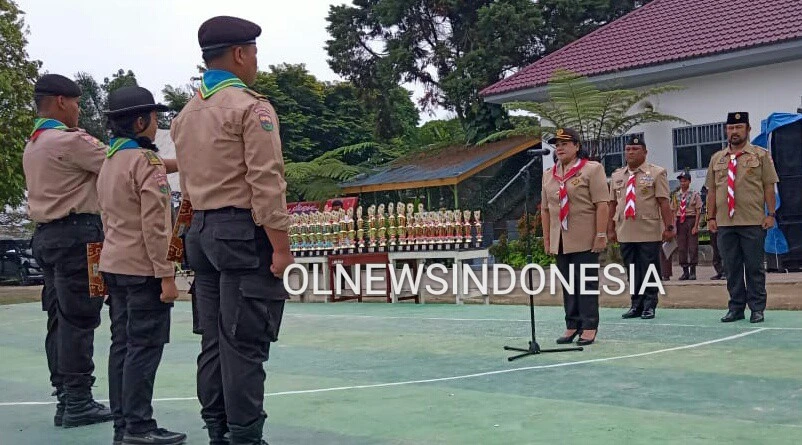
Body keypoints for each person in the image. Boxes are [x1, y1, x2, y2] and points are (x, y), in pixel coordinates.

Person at [171, 16, 294, 445]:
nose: (256, 63)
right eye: (254, 54)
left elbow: (186, 186)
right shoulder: (250, 107)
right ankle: (246, 435)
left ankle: (218, 429)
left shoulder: (185, 115)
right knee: (245, 339)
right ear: (240, 54)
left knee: (213, 339)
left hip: (201, 233)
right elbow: (266, 181)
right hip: (241, 234)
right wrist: (281, 247)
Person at [22, 74, 113, 428]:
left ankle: (65, 396)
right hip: (79, 237)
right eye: (75, 103)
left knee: (59, 318)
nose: (77, 110)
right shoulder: (70, 141)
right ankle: (78, 400)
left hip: (47, 236)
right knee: (80, 318)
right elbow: (121, 163)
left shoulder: (35, 143)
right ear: (61, 101)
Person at [97, 86, 186, 445]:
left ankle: (123, 423)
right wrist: (167, 275)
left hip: (115, 264)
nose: (156, 124)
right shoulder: (146, 164)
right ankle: (139, 425)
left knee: (122, 345)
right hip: (142, 268)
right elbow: (155, 226)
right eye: (153, 118)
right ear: (139, 121)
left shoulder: (111, 160)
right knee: (144, 348)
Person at [705, 112, 779, 323]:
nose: (734, 132)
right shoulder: (717, 159)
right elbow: (711, 191)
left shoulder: (761, 155)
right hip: (725, 223)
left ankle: (757, 308)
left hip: (752, 221)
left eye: (739, 127)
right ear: (726, 131)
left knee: (754, 267)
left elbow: (768, 187)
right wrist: (710, 218)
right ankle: (736, 307)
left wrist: (771, 214)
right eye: (730, 128)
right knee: (731, 267)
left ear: (748, 129)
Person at [541, 128, 609, 345]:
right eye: (556, 144)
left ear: (577, 146)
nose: (559, 148)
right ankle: (572, 324)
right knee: (568, 284)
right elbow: (545, 210)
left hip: (584, 237)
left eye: (565, 143)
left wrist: (600, 234)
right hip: (560, 239)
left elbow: (602, 204)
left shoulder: (592, 169)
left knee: (586, 283)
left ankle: (589, 326)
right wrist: (547, 239)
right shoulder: (549, 175)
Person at [608, 135, 675, 319]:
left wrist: (669, 226)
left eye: (635, 149)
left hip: (648, 228)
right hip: (625, 229)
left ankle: (649, 304)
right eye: (628, 149)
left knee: (649, 268)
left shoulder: (656, 173)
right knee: (632, 269)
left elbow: (663, 202)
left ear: (645, 152)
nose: (631, 152)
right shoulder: (617, 175)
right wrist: (610, 228)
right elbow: (612, 204)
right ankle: (635, 303)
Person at [671, 171, 703, 280]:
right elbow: (674, 211)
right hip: (680, 221)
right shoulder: (676, 195)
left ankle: (693, 271)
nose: (682, 183)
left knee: (693, 246)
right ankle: (685, 271)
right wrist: (674, 226)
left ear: (689, 181)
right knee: (682, 247)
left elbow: (698, 211)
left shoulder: (695, 194)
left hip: (691, 219)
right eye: (681, 181)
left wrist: (696, 226)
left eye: (685, 181)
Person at [701, 186, 726, 280]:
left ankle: (725, 271)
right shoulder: (708, 197)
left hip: (719, 224)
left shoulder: (719, 195)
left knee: (722, 249)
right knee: (715, 250)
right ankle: (719, 271)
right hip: (710, 226)